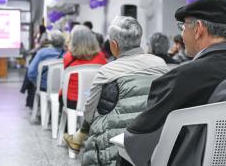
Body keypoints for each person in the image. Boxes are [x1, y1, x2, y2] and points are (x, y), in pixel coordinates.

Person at [124, 0, 226, 166]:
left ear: (198, 29)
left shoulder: (180, 77)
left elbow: (138, 140)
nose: (181, 34)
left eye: (183, 26)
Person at [63, 16, 168, 165]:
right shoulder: (160, 64)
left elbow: (89, 112)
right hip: (153, 141)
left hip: (113, 147)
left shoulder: (106, 72)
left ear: (114, 44)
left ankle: (77, 138)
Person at [61, 25, 107, 109]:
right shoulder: (101, 56)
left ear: (73, 40)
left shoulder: (67, 57)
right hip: (95, 100)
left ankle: (70, 121)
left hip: (73, 102)